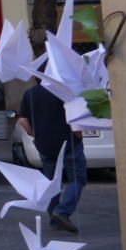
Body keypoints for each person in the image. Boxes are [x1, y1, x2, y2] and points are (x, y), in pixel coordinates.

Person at [18, 82, 88, 233]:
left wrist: (35, 135)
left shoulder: (29, 93)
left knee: (51, 183)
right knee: (78, 178)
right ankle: (62, 212)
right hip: (68, 141)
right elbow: (75, 116)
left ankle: (54, 221)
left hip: (44, 145)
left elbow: (23, 120)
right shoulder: (64, 91)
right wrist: (79, 135)